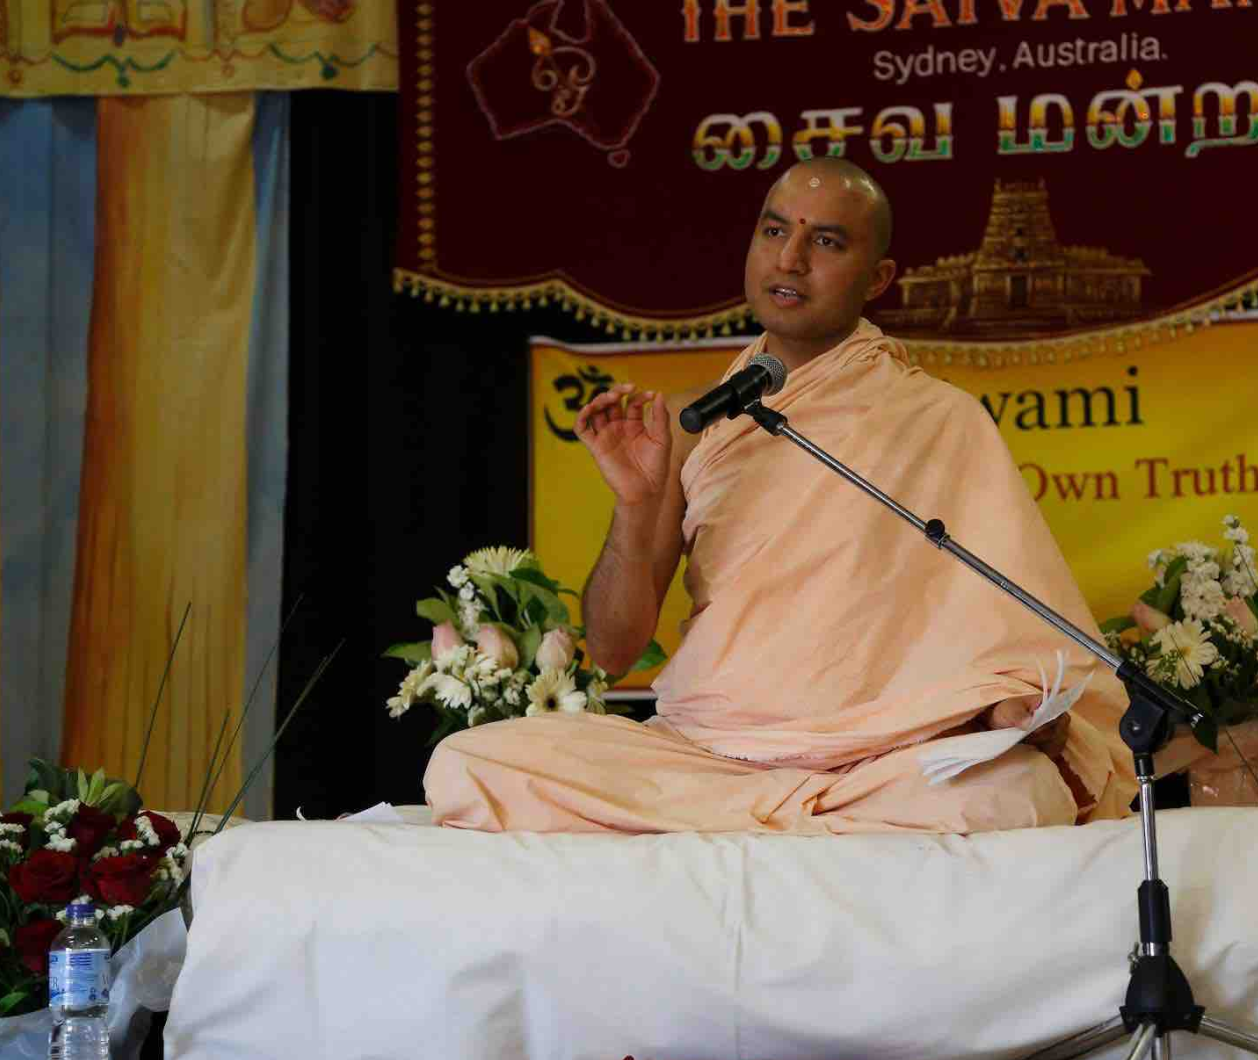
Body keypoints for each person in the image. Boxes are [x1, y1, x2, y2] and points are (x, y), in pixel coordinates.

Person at [424, 160, 1140, 833]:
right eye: (774, 231)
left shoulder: (940, 419)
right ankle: (799, 824)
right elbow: (613, 651)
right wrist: (636, 505)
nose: (790, 259)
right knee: (469, 764)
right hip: (708, 752)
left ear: (878, 277)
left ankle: (771, 824)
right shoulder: (688, 425)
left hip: (883, 758)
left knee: (1015, 791)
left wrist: (1010, 706)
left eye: (825, 241)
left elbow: (1010, 636)